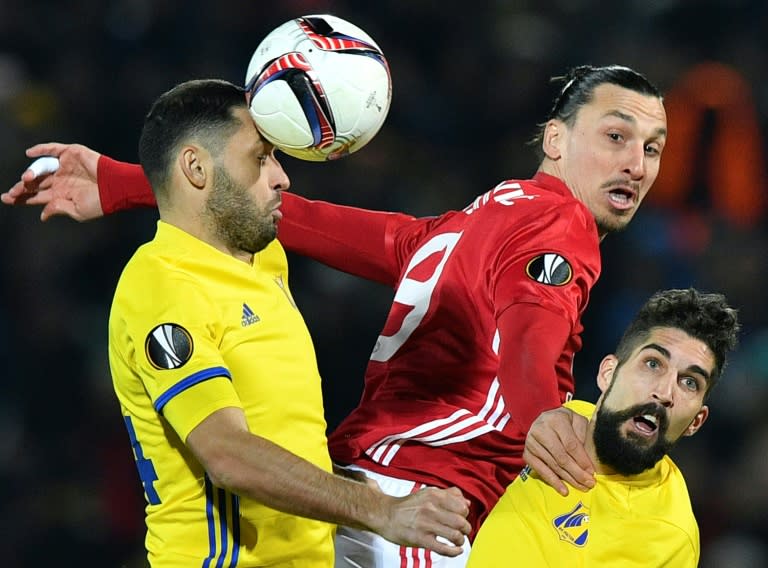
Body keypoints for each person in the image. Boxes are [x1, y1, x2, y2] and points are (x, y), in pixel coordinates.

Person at [3, 64, 666, 565]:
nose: (635, 164)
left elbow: (301, 219)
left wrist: (122, 182)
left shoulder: (471, 223)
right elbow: (534, 318)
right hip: (420, 505)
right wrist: (539, 416)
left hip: (353, 498)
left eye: (653, 148)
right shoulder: (559, 221)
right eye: (615, 136)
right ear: (555, 139)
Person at [55, 78, 473, 567]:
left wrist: (352, 484)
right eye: (260, 158)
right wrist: (380, 510)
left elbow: (278, 430)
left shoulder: (264, 259)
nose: (282, 177)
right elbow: (227, 452)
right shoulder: (161, 283)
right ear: (195, 168)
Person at [468, 287, 741, 567]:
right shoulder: (538, 420)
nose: (665, 392)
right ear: (608, 373)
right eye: (652, 363)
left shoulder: (668, 538)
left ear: (696, 422)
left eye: (689, 382)